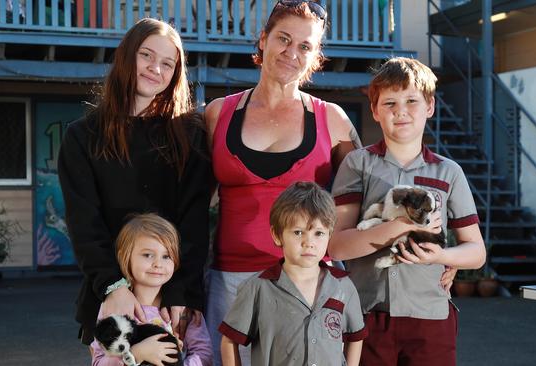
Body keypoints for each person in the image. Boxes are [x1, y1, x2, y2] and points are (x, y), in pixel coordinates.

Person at [203, 1, 361, 364]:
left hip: (307, 282)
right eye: (283, 39)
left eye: (305, 46)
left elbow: (370, 191)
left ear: (316, 56)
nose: (292, 52)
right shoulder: (217, 113)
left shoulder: (332, 120)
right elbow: (191, 200)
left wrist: (422, 247)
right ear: (263, 40)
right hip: (231, 281)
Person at [59, 18, 212, 347]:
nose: (155, 67)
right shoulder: (82, 137)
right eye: (146, 55)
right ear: (126, 55)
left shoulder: (190, 136)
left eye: (167, 63)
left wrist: (180, 292)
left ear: (175, 74)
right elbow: (84, 222)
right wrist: (113, 286)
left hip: (171, 299)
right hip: (110, 295)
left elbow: (194, 221)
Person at [329, 57, 487, 366]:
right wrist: (400, 225)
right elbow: (337, 245)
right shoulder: (357, 164)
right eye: (389, 103)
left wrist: (441, 257)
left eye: (411, 100)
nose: (400, 111)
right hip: (366, 315)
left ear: (429, 106)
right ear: (374, 111)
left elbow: (476, 251)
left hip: (430, 316)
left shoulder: (448, 171)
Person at [218, 182, 367, 366]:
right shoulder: (257, 288)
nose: (308, 242)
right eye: (298, 232)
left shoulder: (343, 286)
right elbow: (229, 340)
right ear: (277, 235)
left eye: (319, 233)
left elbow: (355, 337)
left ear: (330, 234)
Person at [91, 214, 213, 366]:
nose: (158, 263)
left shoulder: (183, 308)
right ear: (125, 257)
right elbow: (98, 361)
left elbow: (204, 354)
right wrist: (136, 354)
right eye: (148, 255)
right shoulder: (114, 307)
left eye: (166, 256)